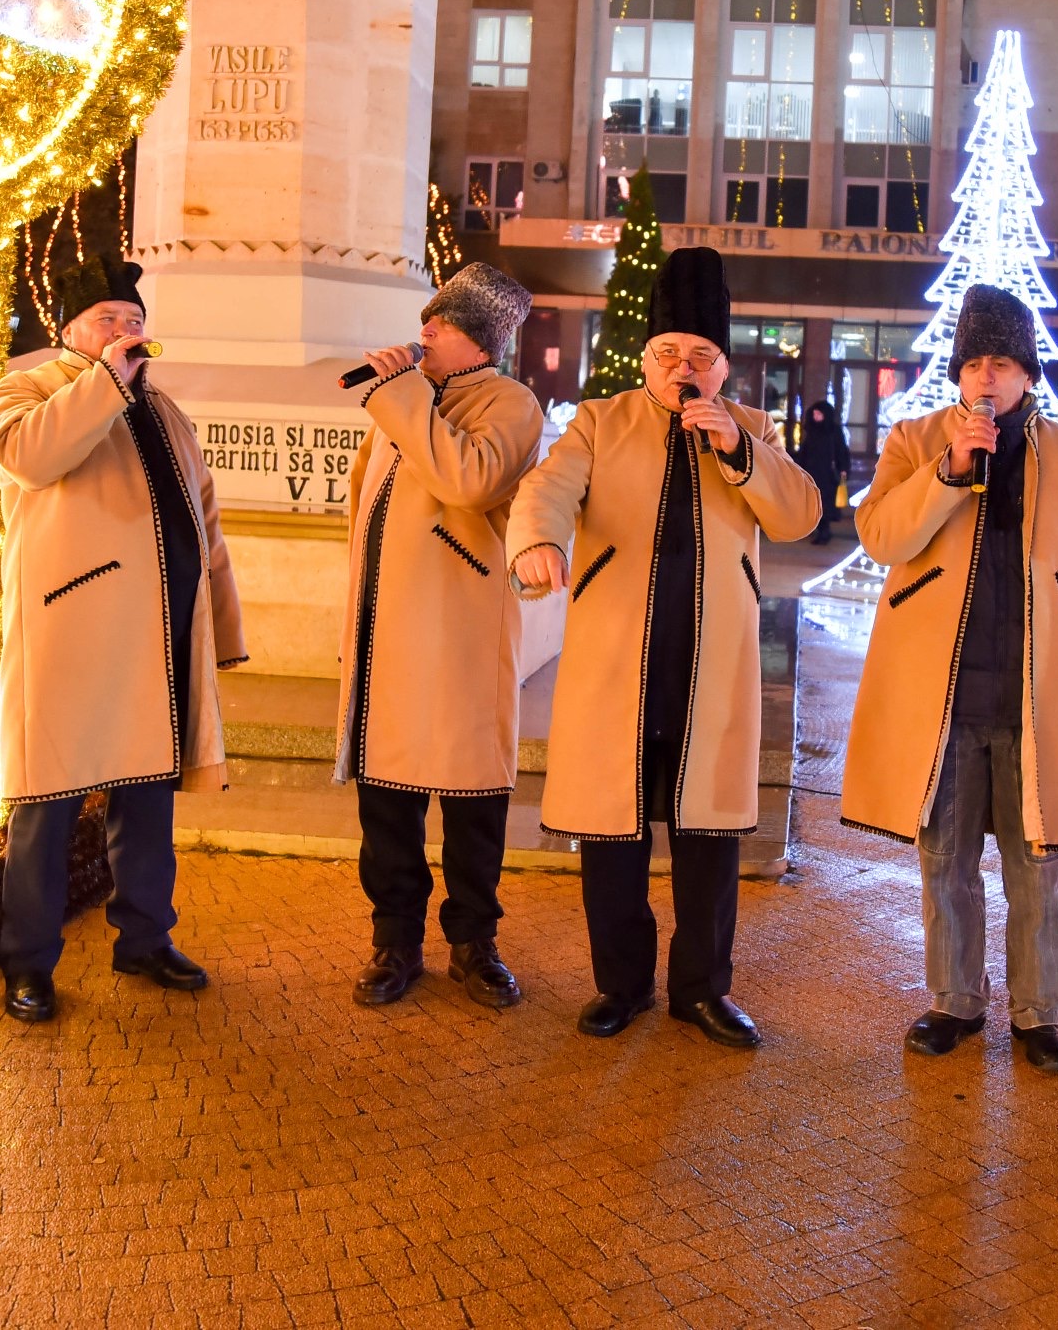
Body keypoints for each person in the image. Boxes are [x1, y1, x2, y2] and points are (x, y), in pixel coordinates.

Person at [504, 248, 821, 1048]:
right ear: (647, 357)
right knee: (613, 836)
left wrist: (737, 452)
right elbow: (548, 487)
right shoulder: (600, 421)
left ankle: (702, 991)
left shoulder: (750, 429)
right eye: (670, 354)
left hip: (710, 668)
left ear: (722, 365)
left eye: (702, 356)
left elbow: (798, 515)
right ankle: (621, 986)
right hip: (622, 667)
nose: (686, 367)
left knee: (709, 839)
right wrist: (536, 542)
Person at [839, 286, 1058, 1074]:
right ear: (957, 372)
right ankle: (955, 1003)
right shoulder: (916, 441)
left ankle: (1040, 1015)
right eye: (973, 361)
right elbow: (879, 533)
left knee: (1039, 867)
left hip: (1031, 701)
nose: (986, 376)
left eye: (1001, 361)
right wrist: (949, 470)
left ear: (1026, 374)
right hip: (940, 702)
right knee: (944, 862)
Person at [0, 257, 248, 1025]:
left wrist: (221, 626)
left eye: (133, 322)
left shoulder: (164, 409)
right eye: (108, 321)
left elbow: (205, 521)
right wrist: (101, 379)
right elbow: (30, 456)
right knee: (51, 798)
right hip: (74, 629)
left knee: (148, 796)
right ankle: (27, 963)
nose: (126, 333)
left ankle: (144, 937)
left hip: (160, 628)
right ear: (70, 330)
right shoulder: (28, 388)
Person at [338, 263, 545, 1010]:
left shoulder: (511, 403)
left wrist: (400, 396)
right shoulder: (408, 401)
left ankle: (473, 943)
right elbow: (363, 499)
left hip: (462, 629)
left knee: (471, 797)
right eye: (426, 322)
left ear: (480, 340)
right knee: (387, 801)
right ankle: (393, 943)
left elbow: (470, 481)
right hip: (388, 628)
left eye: (442, 325)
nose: (423, 333)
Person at [794, 400, 850, 545]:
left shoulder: (834, 431)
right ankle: (818, 530)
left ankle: (824, 532)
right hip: (812, 472)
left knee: (825, 504)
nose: (816, 416)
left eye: (818, 414)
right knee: (813, 503)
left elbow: (841, 451)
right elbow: (805, 452)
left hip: (828, 475)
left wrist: (843, 468)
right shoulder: (812, 430)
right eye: (814, 414)